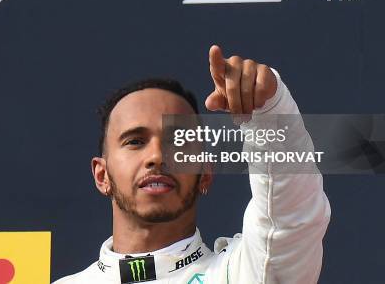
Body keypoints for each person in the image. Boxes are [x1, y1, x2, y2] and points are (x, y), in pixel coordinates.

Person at [53, 45, 331, 284]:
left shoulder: (241, 274)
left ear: (204, 174)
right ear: (102, 175)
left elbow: (289, 221)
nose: (157, 157)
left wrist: (270, 112)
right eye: (135, 141)